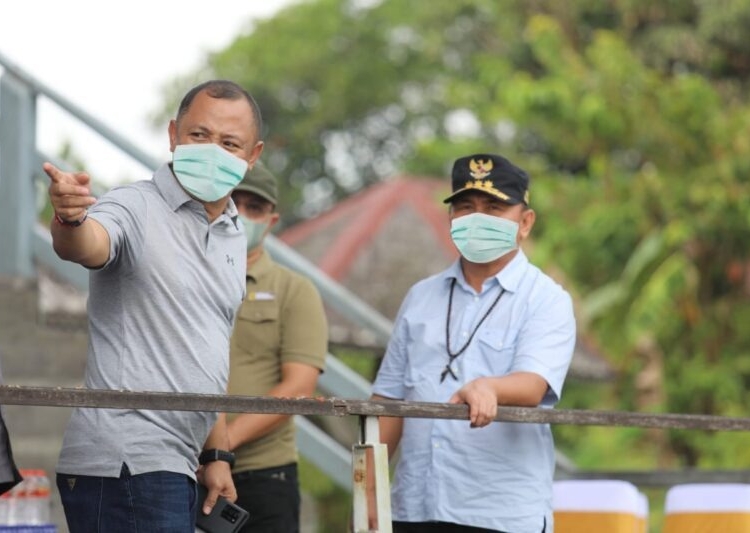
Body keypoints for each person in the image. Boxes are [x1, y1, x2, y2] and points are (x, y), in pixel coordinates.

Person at [43, 79, 264, 533]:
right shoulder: (134, 204)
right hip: (127, 459)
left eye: (229, 143)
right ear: (173, 135)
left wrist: (216, 454)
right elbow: (88, 245)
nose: (211, 151)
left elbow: (204, 349)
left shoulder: (232, 232)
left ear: (253, 156)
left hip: (179, 463)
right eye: (199, 136)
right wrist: (70, 218)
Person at [372, 153, 576, 533]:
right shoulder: (420, 297)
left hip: (499, 513)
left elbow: (534, 384)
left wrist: (490, 387)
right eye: (466, 207)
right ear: (451, 218)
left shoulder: (546, 299)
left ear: (524, 222)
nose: (478, 218)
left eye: (494, 208)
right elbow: (388, 403)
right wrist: (368, 497)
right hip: (413, 507)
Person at [226, 163, 328, 533]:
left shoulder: (294, 290)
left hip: (263, 474)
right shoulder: (181, 278)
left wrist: (223, 443)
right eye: (233, 201)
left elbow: (299, 387)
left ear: (271, 219)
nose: (241, 214)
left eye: (255, 207)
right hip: (176, 467)